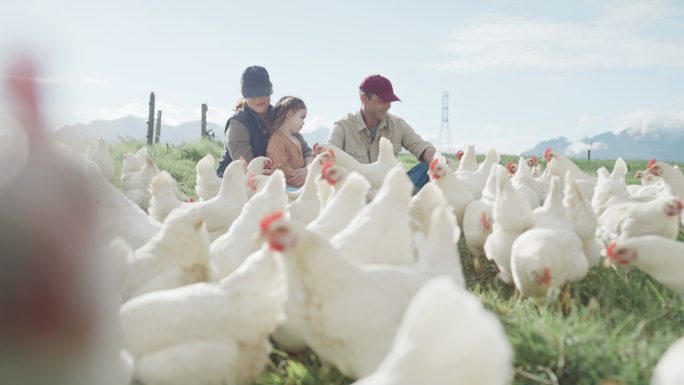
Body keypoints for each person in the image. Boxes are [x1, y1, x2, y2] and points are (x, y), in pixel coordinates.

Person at [325, 74, 436, 191]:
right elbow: (326, 151)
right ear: (364, 98)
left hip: (390, 191)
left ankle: (404, 201)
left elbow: (420, 145)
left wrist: (440, 164)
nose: (388, 106)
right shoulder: (342, 126)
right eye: (382, 101)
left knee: (431, 165)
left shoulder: (398, 125)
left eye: (390, 101)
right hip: (356, 192)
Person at [215, 66, 313, 187]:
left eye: (262, 92)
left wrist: (307, 169)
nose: (258, 98)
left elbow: (306, 150)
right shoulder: (237, 124)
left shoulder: (281, 116)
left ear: (271, 89)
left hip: (272, 179)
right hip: (234, 183)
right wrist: (275, 175)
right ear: (243, 94)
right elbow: (248, 168)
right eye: (252, 94)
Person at [266, 96, 308, 189]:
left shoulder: (295, 139)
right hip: (287, 187)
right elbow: (279, 166)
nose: (303, 122)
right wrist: (299, 177)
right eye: (302, 117)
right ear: (289, 114)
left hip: (299, 185)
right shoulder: (277, 140)